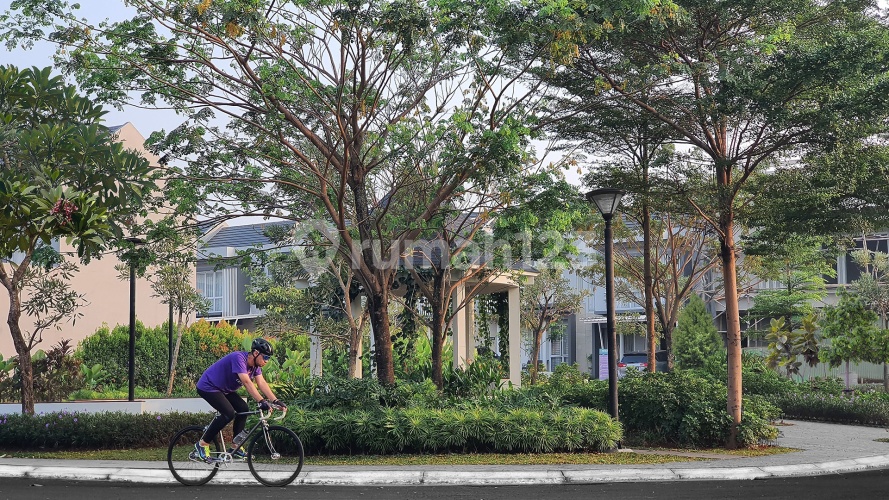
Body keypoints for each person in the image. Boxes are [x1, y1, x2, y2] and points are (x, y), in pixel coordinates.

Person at [194, 338, 286, 462]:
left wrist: (275, 401)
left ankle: (235, 447)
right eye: (265, 357)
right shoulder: (238, 358)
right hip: (208, 386)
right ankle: (202, 444)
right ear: (255, 353)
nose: (266, 361)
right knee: (228, 413)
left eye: (268, 358)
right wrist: (261, 401)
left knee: (243, 408)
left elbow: (262, 383)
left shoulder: (256, 367)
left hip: (224, 390)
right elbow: (247, 382)